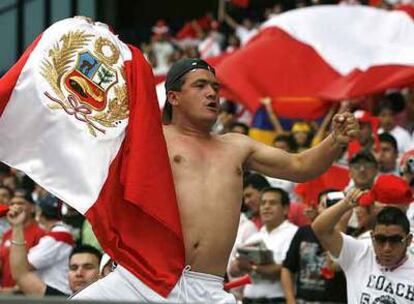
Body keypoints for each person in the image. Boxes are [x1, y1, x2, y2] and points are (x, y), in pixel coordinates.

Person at [72, 58, 359, 303]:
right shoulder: (151, 139)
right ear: (173, 97)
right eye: (200, 86)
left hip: (207, 288)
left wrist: (335, 141)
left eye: (215, 87)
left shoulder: (237, 146)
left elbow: (300, 166)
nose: (212, 93)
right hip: (143, 278)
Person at [312, 190, 414, 303]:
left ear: (409, 240)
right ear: (372, 236)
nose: (387, 248)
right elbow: (320, 229)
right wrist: (345, 204)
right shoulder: (359, 254)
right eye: (380, 240)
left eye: (395, 240)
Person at [230, 187, 298, 303]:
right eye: (263, 203)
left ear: (285, 209)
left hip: (276, 300)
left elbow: (284, 270)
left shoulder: (294, 234)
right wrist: (238, 265)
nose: (266, 207)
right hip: (248, 300)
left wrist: (251, 267)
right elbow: (233, 271)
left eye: (272, 203)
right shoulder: (255, 237)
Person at [281, 189, 347, 303]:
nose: (329, 209)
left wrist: (342, 224)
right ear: (317, 209)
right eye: (324, 205)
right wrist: (290, 300)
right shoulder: (304, 232)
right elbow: (288, 267)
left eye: (335, 205)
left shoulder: (349, 234)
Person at [8, 193, 74, 295]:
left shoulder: (59, 235)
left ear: (40, 214)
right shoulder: (60, 233)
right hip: (50, 292)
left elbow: (22, 267)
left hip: (56, 293)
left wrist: (17, 226)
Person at [0, 190, 44, 293]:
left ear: (33, 208)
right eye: (12, 204)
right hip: (5, 294)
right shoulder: (7, 234)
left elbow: (38, 268)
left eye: (20, 203)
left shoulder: (41, 234)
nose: (15, 206)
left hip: (26, 294)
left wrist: (15, 290)